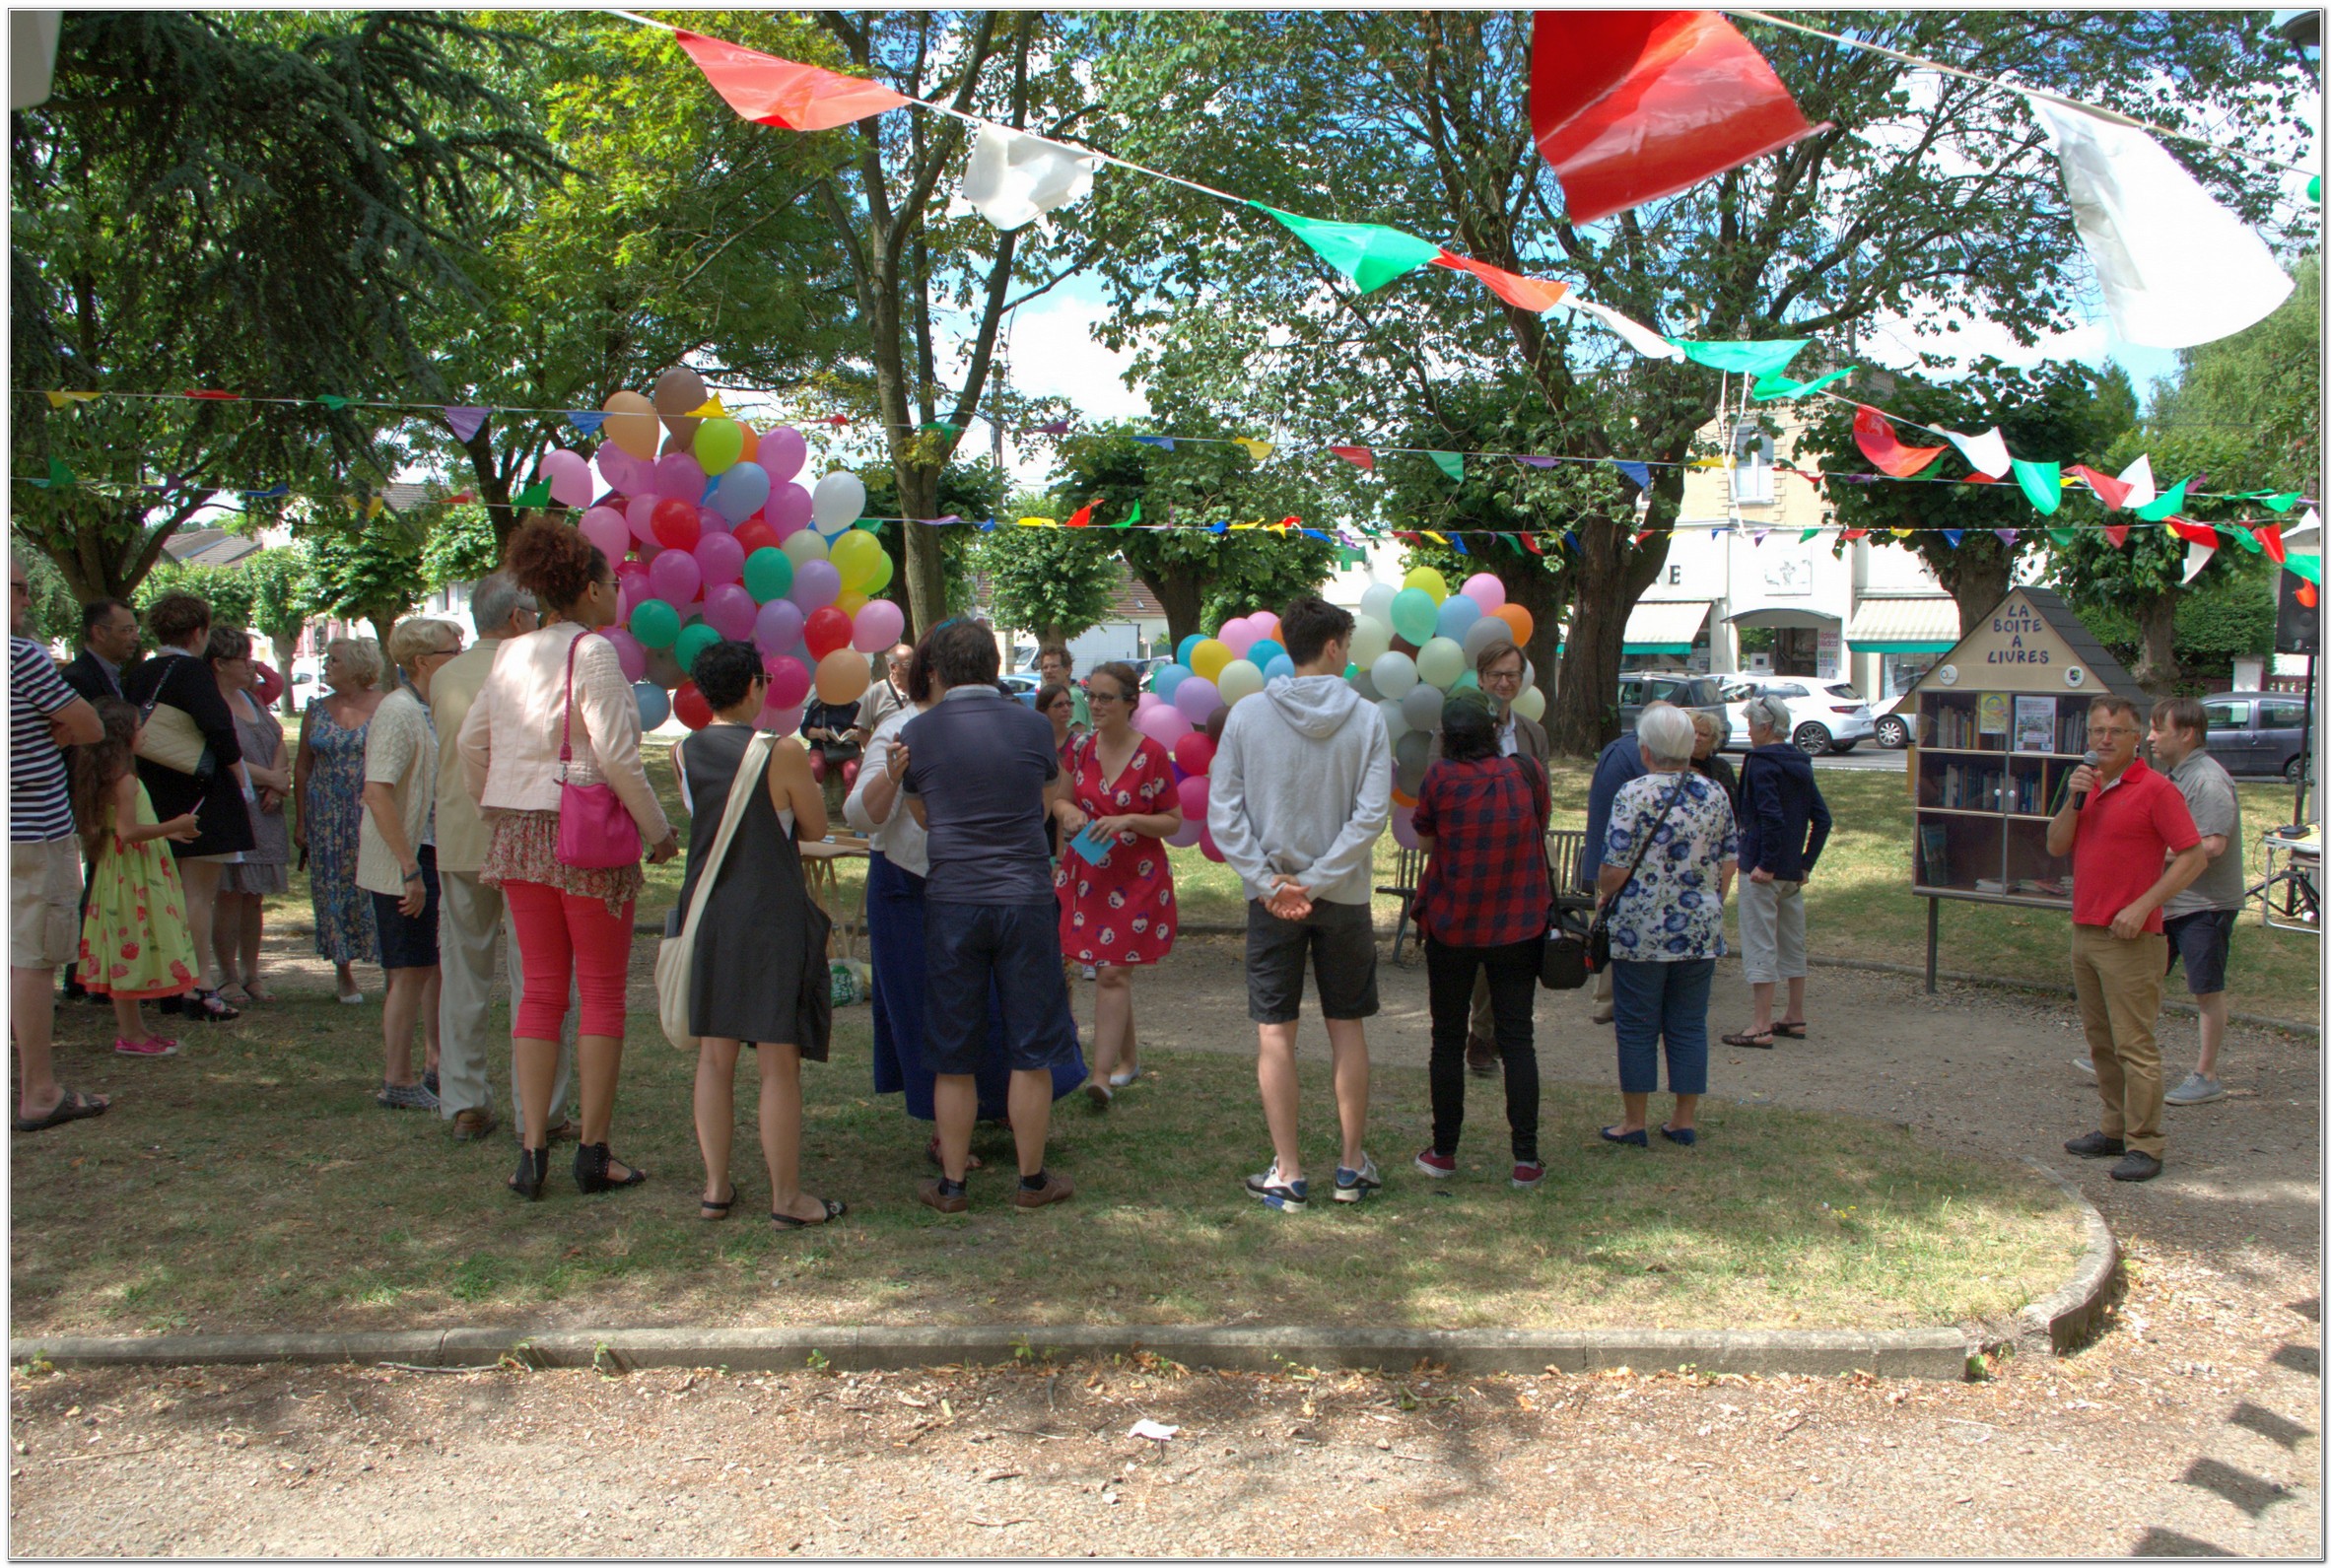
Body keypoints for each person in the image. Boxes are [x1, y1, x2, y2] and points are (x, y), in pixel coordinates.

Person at [460, 518, 678, 1200]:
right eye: (613, 581)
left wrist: (499, 803)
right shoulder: (594, 653)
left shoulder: (512, 653)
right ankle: (593, 1149)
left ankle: (531, 1153)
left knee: (541, 989)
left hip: (520, 836)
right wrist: (658, 829)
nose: (619, 592)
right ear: (587, 587)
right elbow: (616, 756)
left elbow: (473, 744)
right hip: (584, 838)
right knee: (603, 992)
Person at [848, 636, 1087, 1169]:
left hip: (954, 892)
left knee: (958, 1043)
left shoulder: (924, 732)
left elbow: (927, 816)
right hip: (970, 891)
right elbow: (1041, 803)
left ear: (938, 672)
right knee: (1016, 1039)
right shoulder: (1015, 725)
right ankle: (1029, 1176)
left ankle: (955, 1180)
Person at [1208, 595, 1393, 1210]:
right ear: (1335, 646)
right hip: (1337, 898)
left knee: (1275, 1034)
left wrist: (1274, 884)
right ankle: (1349, 1165)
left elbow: (1224, 815)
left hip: (1275, 896)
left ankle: (1289, 1171)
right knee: (1346, 1028)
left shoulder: (1247, 715)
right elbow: (1371, 819)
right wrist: (1311, 883)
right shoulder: (1368, 719)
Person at [673, 640, 846, 1229]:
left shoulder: (682, 751)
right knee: (778, 1063)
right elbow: (816, 826)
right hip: (770, 914)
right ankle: (787, 1197)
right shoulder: (782, 752)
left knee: (715, 1059)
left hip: (709, 913)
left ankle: (716, 1187)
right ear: (754, 686)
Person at [2046, 694, 2209, 1184]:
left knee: (2134, 1045)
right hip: (2086, 931)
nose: (2104, 740)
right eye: (2097, 731)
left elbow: (2193, 856)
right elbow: (2056, 845)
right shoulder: (2086, 786)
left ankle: (2146, 1143)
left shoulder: (2156, 790)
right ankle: (2113, 1128)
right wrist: (2075, 798)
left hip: (2132, 938)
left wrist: (2143, 905)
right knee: (2100, 1042)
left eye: (2116, 732)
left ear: (2137, 739)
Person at [431, 574, 565, 1144]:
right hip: (523, 837)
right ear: (516, 617)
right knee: (539, 978)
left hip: (459, 839)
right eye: (534, 612)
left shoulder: (443, 675)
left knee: (463, 975)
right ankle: (542, 1109)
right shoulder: (537, 667)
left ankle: (463, 1100)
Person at [1411, 695, 1549, 1187]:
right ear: (1493, 731)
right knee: (1518, 1038)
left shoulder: (1440, 780)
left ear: (1447, 738)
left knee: (1446, 1038)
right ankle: (1526, 1158)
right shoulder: (1528, 772)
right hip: (1518, 922)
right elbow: (1540, 824)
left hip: (1454, 924)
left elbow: (1426, 840)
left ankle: (1444, 1151)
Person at [1596, 706, 1738, 1148]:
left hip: (1641, 931)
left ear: (1645, 749)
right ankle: (1683, 1119)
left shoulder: (1633, 794)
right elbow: (1730, 860)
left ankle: (1634, 1121)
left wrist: (1605, 892)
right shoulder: (1714, 793)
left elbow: (1614, 868)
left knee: (1637, 1025)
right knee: (1689, 1024)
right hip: (1698, 928)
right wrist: (1711, 899)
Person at [1052, 660, 1182, 1106]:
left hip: (1137, 879)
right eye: (1092, 695)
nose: (1095, 704)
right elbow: (1061, 800)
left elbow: (1173, 821)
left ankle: (1101, 1075)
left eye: (1106, 697)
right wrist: (1067, 813)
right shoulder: (1081, 749)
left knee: (1111, 971)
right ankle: (1127, 1061)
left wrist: (1129, 819)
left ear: (1131, 703)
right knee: (1113, 969)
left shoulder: (1153, 755)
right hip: (1088, 873)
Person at [10, 556, 108, 1131]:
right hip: (32, 832)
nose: (28, 599)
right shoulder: (22, 656)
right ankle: (40, 1090)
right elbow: (91, 725)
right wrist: (58, 726)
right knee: (32, 960)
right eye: (19, 589)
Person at [121, 591, 252, 1025]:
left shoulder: (138, 674)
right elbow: (219, 728)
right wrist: (239, 773)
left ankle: (166, 980)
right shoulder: (192, 672)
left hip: (151, 793)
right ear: (199, 632)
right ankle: (198, 983)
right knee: (197, 894)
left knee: (166, 891)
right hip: (198, 794)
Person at [1426, 640, 1550, 1078]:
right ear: (1479, 679)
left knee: (1511, 949)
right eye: (1496, 674)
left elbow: (1542, 799)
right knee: (1474, 953)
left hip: (1517, 863)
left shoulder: (1533, 734)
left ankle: (1489, 1033)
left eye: (1512, 675)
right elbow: (1433, 795)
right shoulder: (1450, 731)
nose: (1503, 682)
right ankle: (1479, 1034)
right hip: (1465, 864)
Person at [361, 617, 463, 1112]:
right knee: (409, 970)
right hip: (406, 857)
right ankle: (397, 1078)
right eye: (451, 651)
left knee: (432, 965)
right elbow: (377, 790)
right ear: (422, 662)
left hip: (432, 852)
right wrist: (407, 868)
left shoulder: (430, 708)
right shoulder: (397, 712)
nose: (459, 657)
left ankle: (434, 1063)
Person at [69, 698, 202, 1055]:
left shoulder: (103, 774)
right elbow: (127, 832)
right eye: (139, 726)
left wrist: (164, 832)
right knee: (130, 949)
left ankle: (136, 1030)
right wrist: (175, 824)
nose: (144, 732)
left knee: (123, 949)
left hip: (120, 871)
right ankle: (131, 1035)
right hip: (133, 874)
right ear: (123, 735)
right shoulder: (124, 779)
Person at [2147, 698, 2245, 1108]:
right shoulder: (2175, 776)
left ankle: (2206, 1075)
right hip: (2172, 900)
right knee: (2144, 979)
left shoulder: (2206, 780)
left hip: (2205, 905)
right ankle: (2121, 1057)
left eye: (2158, 729)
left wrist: (2152, 850)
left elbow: (2213, 845)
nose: (2150, 737)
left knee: (2206, 989)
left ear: (2186, 733)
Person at [1723, 695, 1830, 1050]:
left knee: (1760, 945)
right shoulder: (1801, 761)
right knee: (1792, 944)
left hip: (1762, 868)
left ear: (1765, 726)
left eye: (1752, 725)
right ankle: (1794, 1015)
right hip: (1791, 872)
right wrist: (1805, 863)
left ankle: (1760, 1025)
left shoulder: (1760, 762)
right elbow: (1822, 818)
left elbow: (1770, 815)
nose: (1749, 731)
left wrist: (1765, 864)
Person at [58, 597, 139, 1002]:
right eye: (125, 630)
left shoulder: (117, 675)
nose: (134, 638)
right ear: (98, 633)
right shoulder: (78, 678)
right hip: (90, 790)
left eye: (135, 629)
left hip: (106, 788)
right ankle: (83, 973)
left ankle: (92, 971)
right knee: (98, 877)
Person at [297, 636, 385, 1003]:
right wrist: (301, 819)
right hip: (327, 814)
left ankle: (389, 966)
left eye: (334, 660)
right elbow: (303, 767)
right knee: (332, 888)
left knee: (378, 888)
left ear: (357, 666)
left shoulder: (386, 705)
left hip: (373, 809)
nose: (327, 665)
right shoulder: (316, 709)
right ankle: (343, 971)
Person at [206, 628, 292, 1004]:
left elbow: (277, 739)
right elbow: (224, 757)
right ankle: (226, 976)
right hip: (233, 807)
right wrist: (271, 778)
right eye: (244, 659)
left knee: (253, 896)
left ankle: (252, 973)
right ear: (220, 664)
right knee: (229, 893)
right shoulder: (210, 702)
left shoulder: (252, 698)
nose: (252, 666)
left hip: (266, 809)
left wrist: (276, 783)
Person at [1579, 701, 1670, 1027]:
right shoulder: (1630, 756)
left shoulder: (1621, 751)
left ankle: (1611, 1003)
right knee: (1612, 936)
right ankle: (1607, 1004)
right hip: (1621, 867)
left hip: (1616, 864)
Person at [800, 686, 865, 822]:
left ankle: (850, 815)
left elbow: (864, 732)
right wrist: (818, 733)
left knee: (852, 771)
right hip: (822, 747)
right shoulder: (817, 705)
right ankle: (810, 813)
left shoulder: (854, 707)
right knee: (814, 769)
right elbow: (804, 729)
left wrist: (854, 735)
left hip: (846, 749)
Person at [60, 598, 138, 702]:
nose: (137, 638)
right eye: (128, 630)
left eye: (137, 630)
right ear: (100, 633)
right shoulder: (76, 679)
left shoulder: (113, 674)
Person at [857, 639, 917, 736]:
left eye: (915, 663)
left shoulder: (923, 689)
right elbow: (862, 730)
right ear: (893, 667)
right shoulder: (877, 692)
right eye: (907, 664)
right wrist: (876, 751)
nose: (913, 668)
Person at [1689, 710, 1739, 806]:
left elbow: (1733, 803)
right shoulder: (1675, 764)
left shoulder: (1722, 768)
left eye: (1703, 734)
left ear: (1713, 740)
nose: (1697, 738)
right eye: (1693, 732)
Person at [1038, 646, 1091, 731]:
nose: (1048, 671)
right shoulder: (1059, 695)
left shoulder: (1072, 696)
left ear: (1068, 670)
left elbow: (1077, 735)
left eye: (1054, 666)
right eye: (1045, 667)